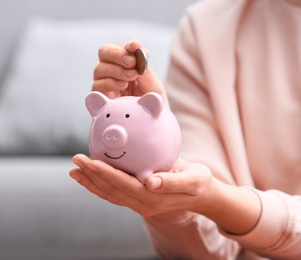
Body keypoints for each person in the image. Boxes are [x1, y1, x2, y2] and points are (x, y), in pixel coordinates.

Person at [69, 0, 301, 259]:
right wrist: (173, 190)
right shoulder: (205, 27)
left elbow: (213, 196)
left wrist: (215, 199)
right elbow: (215, 249)